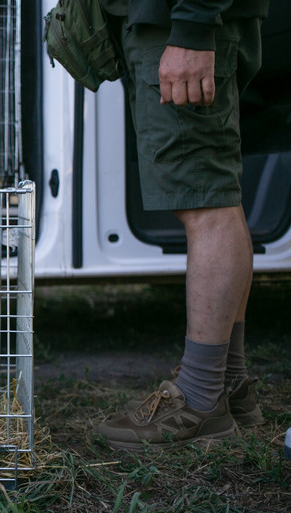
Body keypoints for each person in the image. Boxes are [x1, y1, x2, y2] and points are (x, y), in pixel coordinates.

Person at [94, 0, 270, 450]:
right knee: (213, 198)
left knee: (205, 202)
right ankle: (227, 384)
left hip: (181, 23)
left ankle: (199, 400)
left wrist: (192, 27)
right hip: (173, 22)